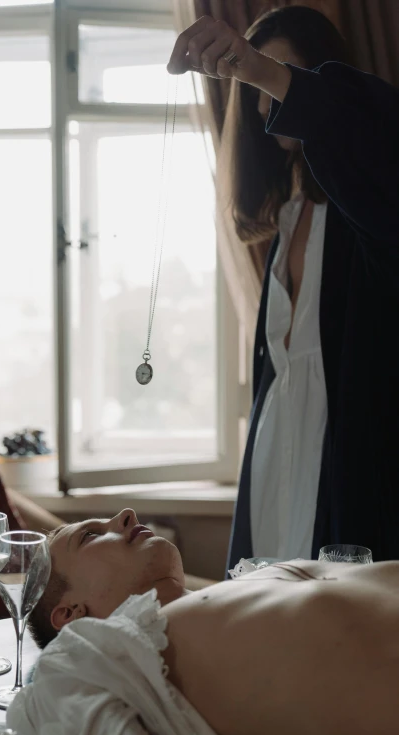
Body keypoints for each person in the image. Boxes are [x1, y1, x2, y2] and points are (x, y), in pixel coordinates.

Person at [167, 6, 399, 568]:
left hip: (344, 465)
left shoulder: (366, 214)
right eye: (254, 90)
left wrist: (256, 65)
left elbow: (372, 135)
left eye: (279, 78)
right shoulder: (288, 220)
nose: (267, 102)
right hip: (275, 459)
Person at [8, 509, 399, 735]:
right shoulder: (78, 663)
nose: (126, 515)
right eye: (90, 535)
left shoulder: (238, 583)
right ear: (70, 614)